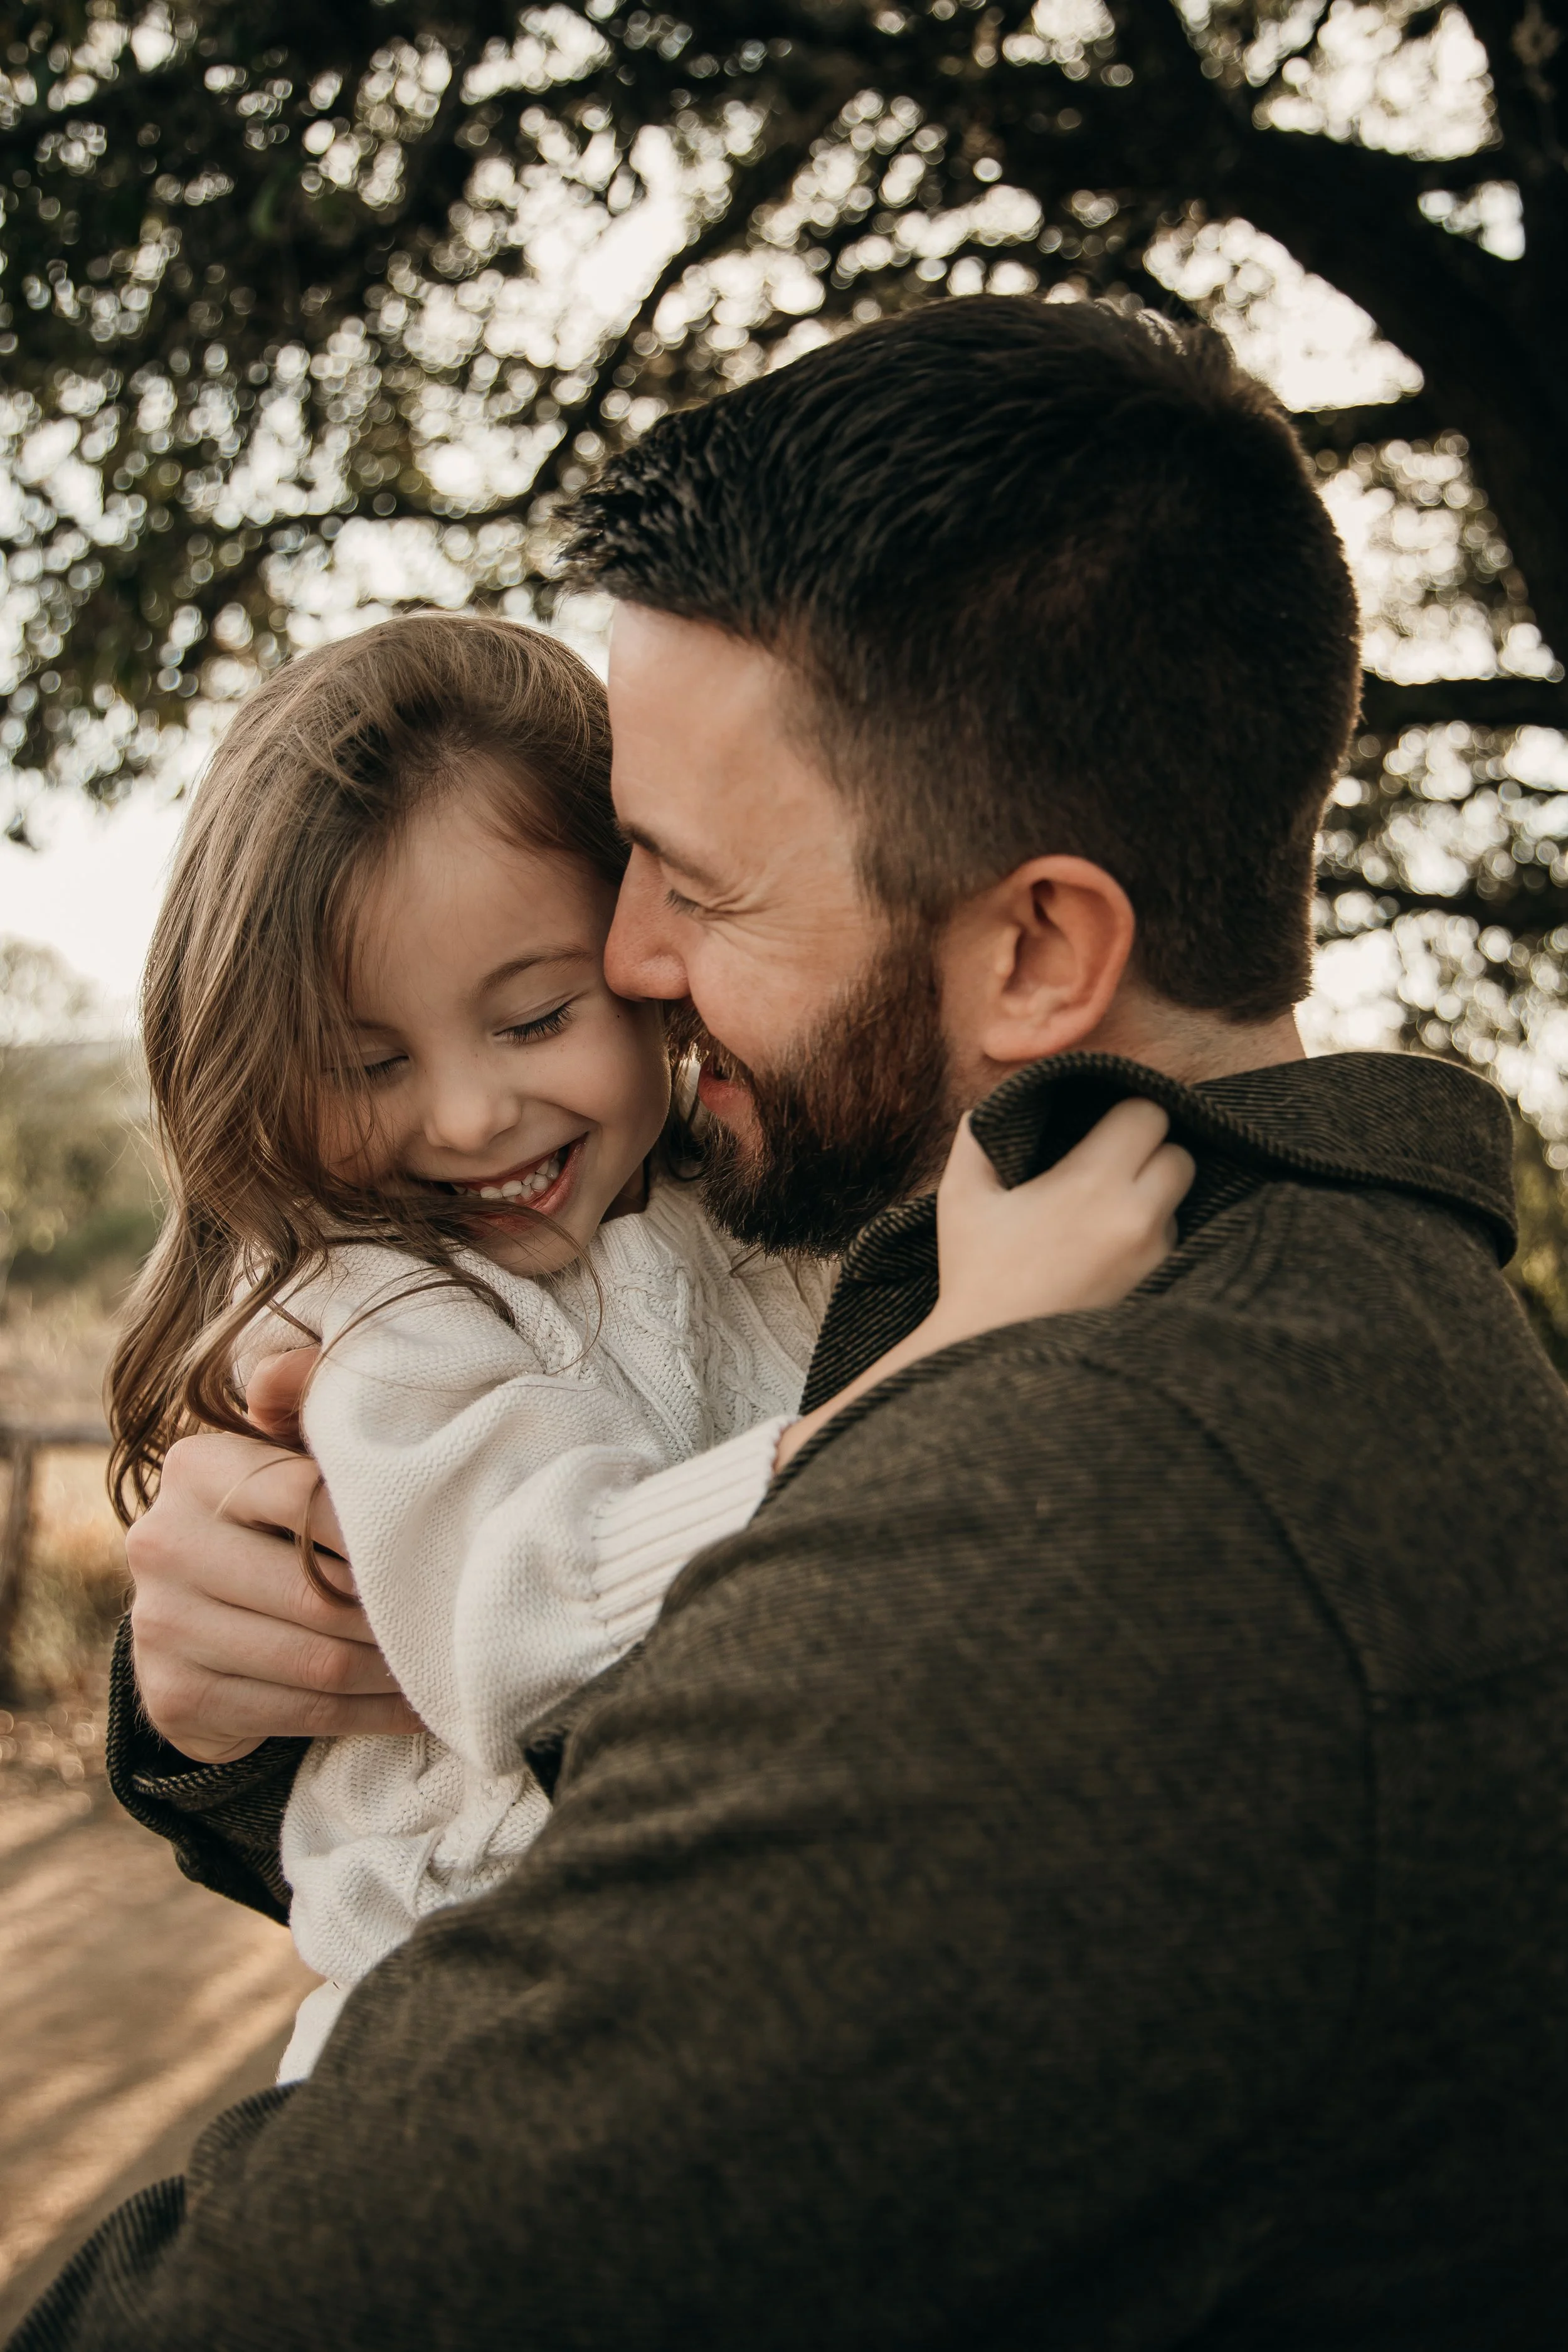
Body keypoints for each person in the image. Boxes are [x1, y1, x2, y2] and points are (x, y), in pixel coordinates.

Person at [18, 298, 1568, 2349]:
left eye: (694, 884)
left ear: (1037, 944)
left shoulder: (1075, 1514)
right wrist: (232, 1725)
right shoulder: (1309, 1304)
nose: (633, 959)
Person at [103, 609, 1189, 2085]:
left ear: (641, 960)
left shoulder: (727, 1209)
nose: (469, 1115)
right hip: (466, 2037)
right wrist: (950, 1361)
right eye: (368, 1064)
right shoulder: (379, 1320)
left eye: (536, 1017)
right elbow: (528, 1632)